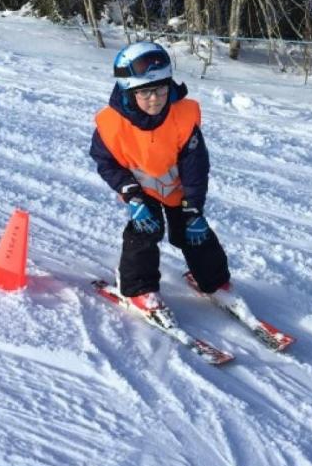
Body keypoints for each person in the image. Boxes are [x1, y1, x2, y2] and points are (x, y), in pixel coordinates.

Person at [90, 40, 231, 313]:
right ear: (128, 91)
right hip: (141, 190)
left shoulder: (182, 116)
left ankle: (215, 282)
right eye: (145, 93)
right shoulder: (110, 125)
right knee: (145, 231)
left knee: (194, 232)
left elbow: (195, 164)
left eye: (161, 90)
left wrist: (194, 206)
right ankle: (138, 289)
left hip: (177, 189)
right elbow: (105, 162)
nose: (155, 99)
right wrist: (130, 194)